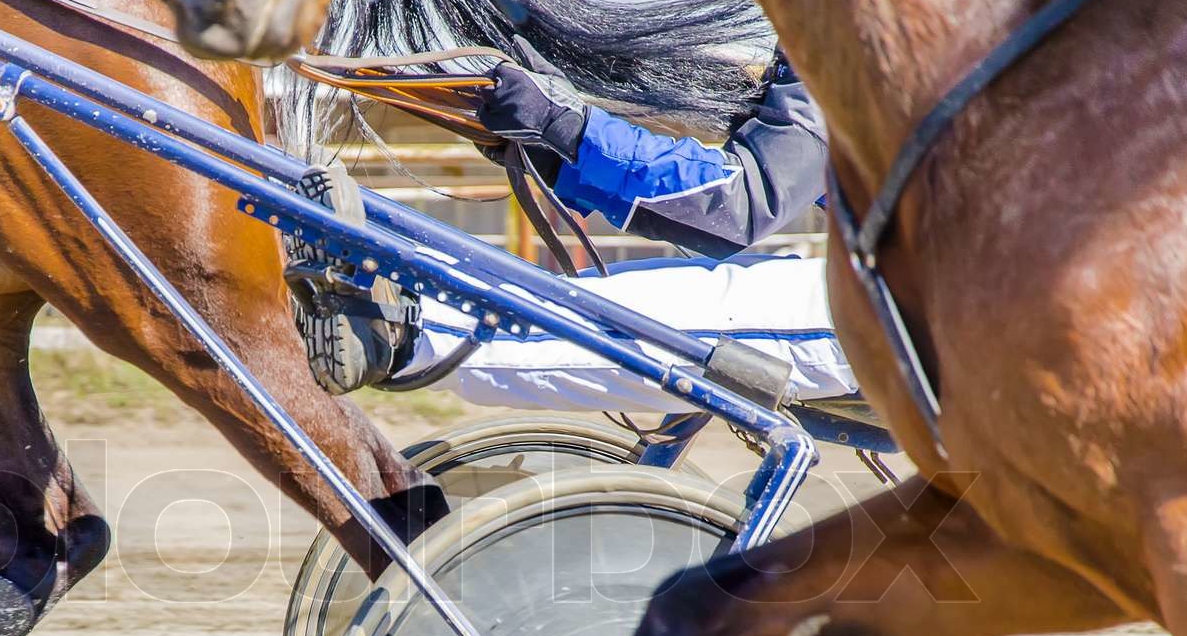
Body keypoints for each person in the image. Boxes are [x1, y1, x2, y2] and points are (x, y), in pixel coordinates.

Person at [298, 40, 844, 409]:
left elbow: (739, 203)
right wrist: (557, 151)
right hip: (876, 280)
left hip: (890, 306)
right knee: (604, 297)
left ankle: (405, 330)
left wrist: (565, 126)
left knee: (648, 314)